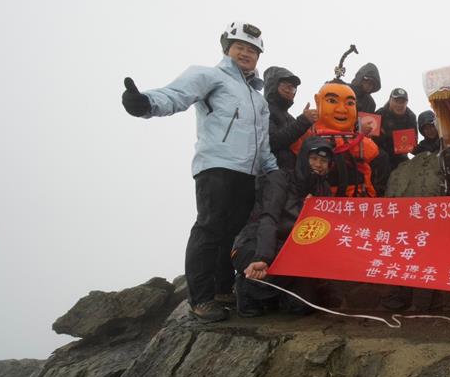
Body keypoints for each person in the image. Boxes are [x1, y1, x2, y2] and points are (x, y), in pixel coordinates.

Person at [120, 20, 278, 323]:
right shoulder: (209, 75)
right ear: (227, 49)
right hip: (216, 166)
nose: (246, 53)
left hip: (249, 174)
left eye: (253, 50)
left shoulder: (258, 99)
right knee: (209, 228)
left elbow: (264, 141)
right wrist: (145, 103)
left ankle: (221, 289)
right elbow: (175, 94)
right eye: (240, 47)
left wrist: (272, 171)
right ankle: (201, 299)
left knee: (232, 234)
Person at [231, 137, 336, 316]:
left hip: (291, 250)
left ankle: (275, 295)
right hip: (254, 244)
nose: (318, 164)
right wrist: (262, 256)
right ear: (303, 157)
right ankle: (246, 288)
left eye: (324, 161)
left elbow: (327, 228)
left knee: (302, 307)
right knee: (273, 270)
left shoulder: (324, 189)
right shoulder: (279, 178)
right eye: (314, 158)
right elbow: (268, 218)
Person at [264, 66, 318, 171]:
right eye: (285, 86)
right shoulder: (264, 110)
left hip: (292, 177)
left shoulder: (290, 118)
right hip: (272, 175)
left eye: (293, 88)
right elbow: (272, 142)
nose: (289, 90)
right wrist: (303, 121)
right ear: (273, 85)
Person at [375, 88, 418, 170]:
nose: (399, 105)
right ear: (390, 100)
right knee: (382, 158)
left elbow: (413, 140)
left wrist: (409, 146)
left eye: (402, 102)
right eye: (396, 101)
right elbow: (371, 138)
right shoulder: (380, 114)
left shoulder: (411, 117)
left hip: (400, 153)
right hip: (381, 150)